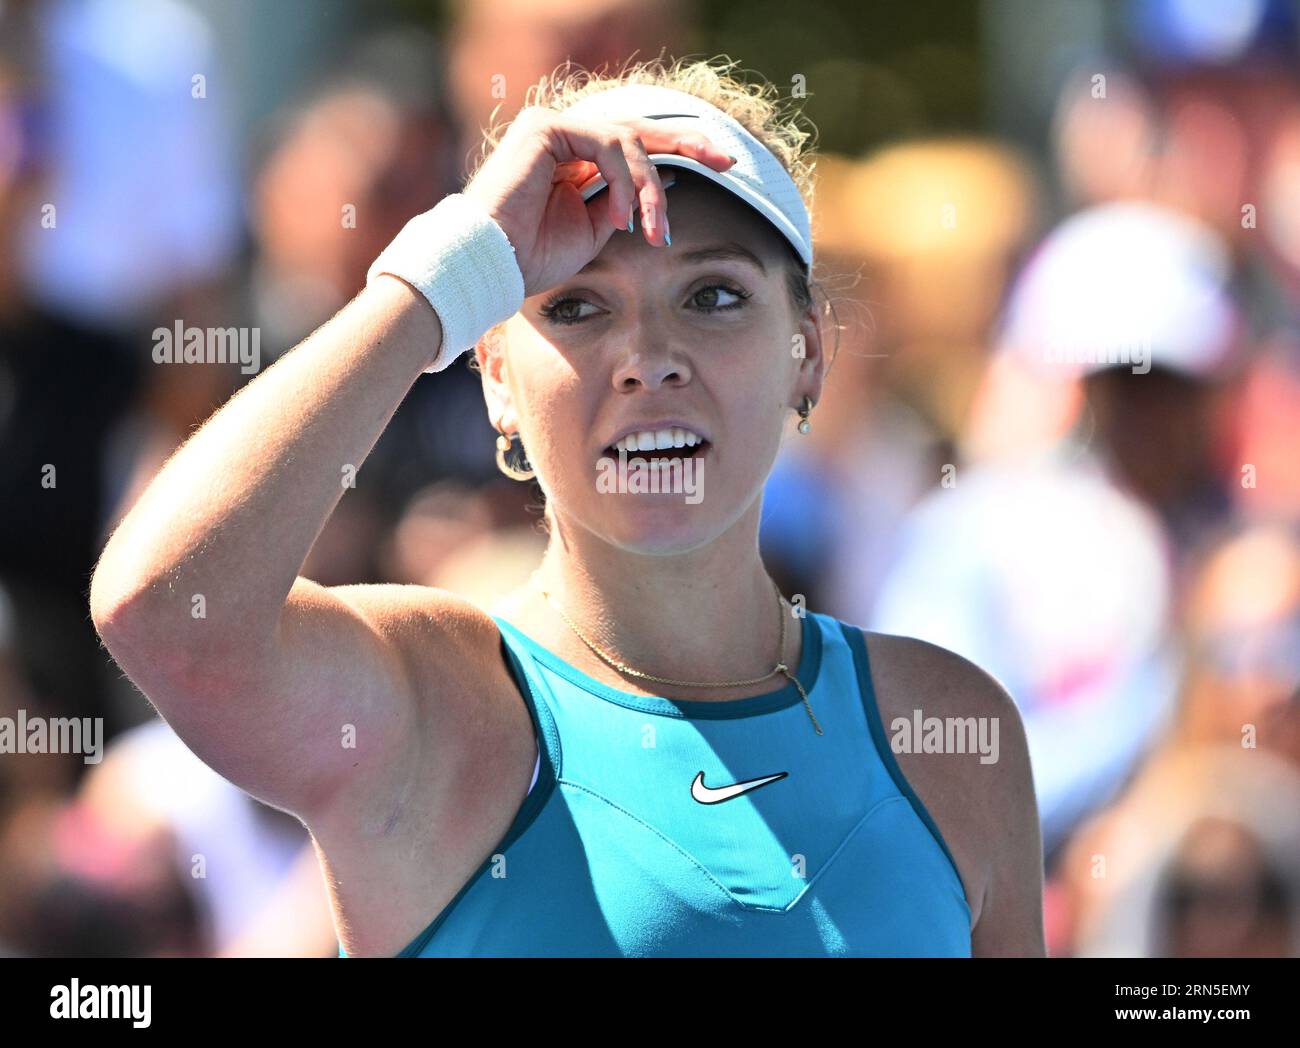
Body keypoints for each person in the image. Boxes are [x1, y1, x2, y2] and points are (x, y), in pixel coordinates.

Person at [89, 56, 1044, 957]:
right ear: (494, 377)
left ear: (809, 350)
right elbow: (163, 611)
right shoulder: (434, 709)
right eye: (577, 307)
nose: (649, 356)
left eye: (711, 295)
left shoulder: (952, 734)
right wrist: (452, 266)